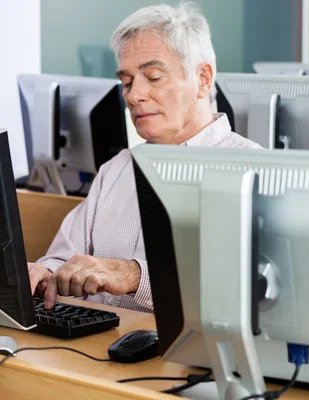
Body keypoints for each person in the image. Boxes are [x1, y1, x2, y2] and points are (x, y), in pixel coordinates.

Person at [27, 3, 261, 312]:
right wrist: (48, 273)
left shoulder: (253, 170)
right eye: (126, 82)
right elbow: (62, 257)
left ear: (203, 79)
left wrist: (135, 274)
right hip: (97, 355)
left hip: (189, 358)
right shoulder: (117, 168)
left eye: (153, 77)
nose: (133, 95)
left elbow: (244, 289)